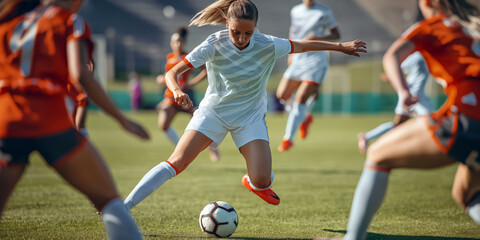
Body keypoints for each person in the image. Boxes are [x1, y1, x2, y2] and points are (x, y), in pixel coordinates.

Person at [123, 0, 365, 210]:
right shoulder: (213, 43)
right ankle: (125, 207)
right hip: (213, 114)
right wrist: (176, 90)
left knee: (262, 181)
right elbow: (173, 72)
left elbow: (301, 45)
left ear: (255, 29)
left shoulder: (267, 44)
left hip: (249, 117)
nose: (242, 39)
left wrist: (341, 47)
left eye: (248, 33)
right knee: (177, 162)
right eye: (236, 32)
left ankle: (253, 182)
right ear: (227, 24)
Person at [316, 0, 480, 239]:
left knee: (377, 155)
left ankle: (353, 238)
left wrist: (403, 91)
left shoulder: (430, 26)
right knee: (466, 195)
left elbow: (391, 56)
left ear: (428, 2)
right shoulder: (472, 27)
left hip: (467, 115)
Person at [0, 0, 151, 239]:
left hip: (6, 123)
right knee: (109, 200)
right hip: (51, 123)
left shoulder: (9, 19)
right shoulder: (70, 21)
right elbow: (80, 74)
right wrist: (122, 119)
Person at [276, 0, 340, 152]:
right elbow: (293, 32)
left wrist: (319, 37)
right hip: (298, 58)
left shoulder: (324, 12)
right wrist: (291, 53)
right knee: (282, 95)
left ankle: (288, 139)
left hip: (315, 61)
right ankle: (304, 117)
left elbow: (336, 34)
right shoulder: (295, 11)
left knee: (300, 99)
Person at [155, 26, 220, 162]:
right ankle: (179, 150)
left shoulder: (187, 56)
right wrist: (162, 78)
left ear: (184, 43)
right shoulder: (169, 58)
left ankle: (213, 148)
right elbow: (169, 75)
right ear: (171, 43)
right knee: (163, 124)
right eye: (175, 41)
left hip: (186, 96)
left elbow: (206, 70)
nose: (177, 44)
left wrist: (192, 83)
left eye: (180, 41)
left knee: (202, 124)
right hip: (172, 97)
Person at [357, 51, 434, 153]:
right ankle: (432, 148)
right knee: (433, 122)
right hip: (413, 96)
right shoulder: (417, 56)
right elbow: (398, 68)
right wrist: (391, 77)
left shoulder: (427, 55)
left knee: (398, 125)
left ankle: (367, 137)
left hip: (413, 95)